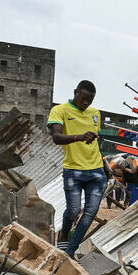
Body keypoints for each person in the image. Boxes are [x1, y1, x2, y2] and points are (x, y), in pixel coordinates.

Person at [48, 80, 111, 258]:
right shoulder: (59, 110)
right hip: (73, 170)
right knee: (74, 210)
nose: (86, 103)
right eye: (83, 98)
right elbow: (56, 137)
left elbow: (95, 144)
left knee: (90, 214)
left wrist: (105, 165)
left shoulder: (95, 114)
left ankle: (69, 251)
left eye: (89, 100)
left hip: (97, 171)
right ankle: (64, 235)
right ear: (76, 92)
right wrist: (79, 137)